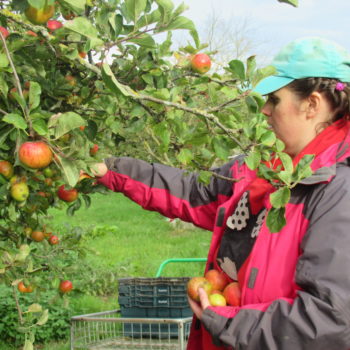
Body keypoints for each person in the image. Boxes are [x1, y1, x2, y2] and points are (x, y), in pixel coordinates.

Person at [92, 37, 350, 349]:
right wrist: (113, 171)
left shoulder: (337, 190)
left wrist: (226, 321)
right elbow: (192, 191)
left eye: (275, 100)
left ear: (312, 104)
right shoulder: (260, 168)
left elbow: (328, 320)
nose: (265, 110)